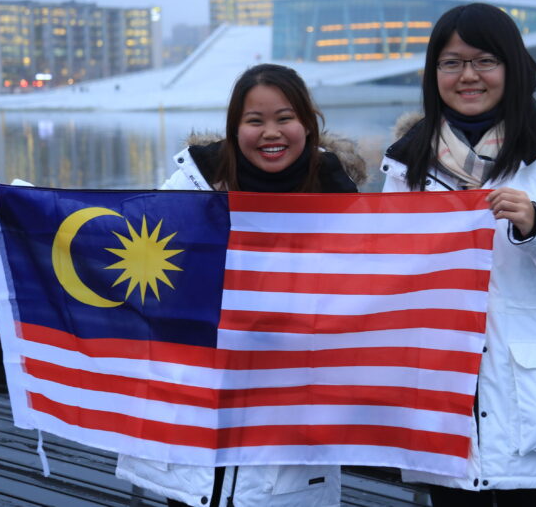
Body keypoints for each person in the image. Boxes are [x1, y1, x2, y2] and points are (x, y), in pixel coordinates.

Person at [380, 4, 536, 507]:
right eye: (451, 63)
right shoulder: (407, 163)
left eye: (484, 61)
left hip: (529, 394)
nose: (468, 76)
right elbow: (385, 274)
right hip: (443, 389)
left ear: (512, 67)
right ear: (433, 73)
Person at [115, 63, 365, 507]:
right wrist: (17, 202)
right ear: (235, 129)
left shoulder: (342, 201)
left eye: (285, 118)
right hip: (196, 411)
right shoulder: (194, 184)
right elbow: (122, 236)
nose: (271, 133)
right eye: (255, 120)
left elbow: (377, 291)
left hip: (286, 417)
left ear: (308, 124)